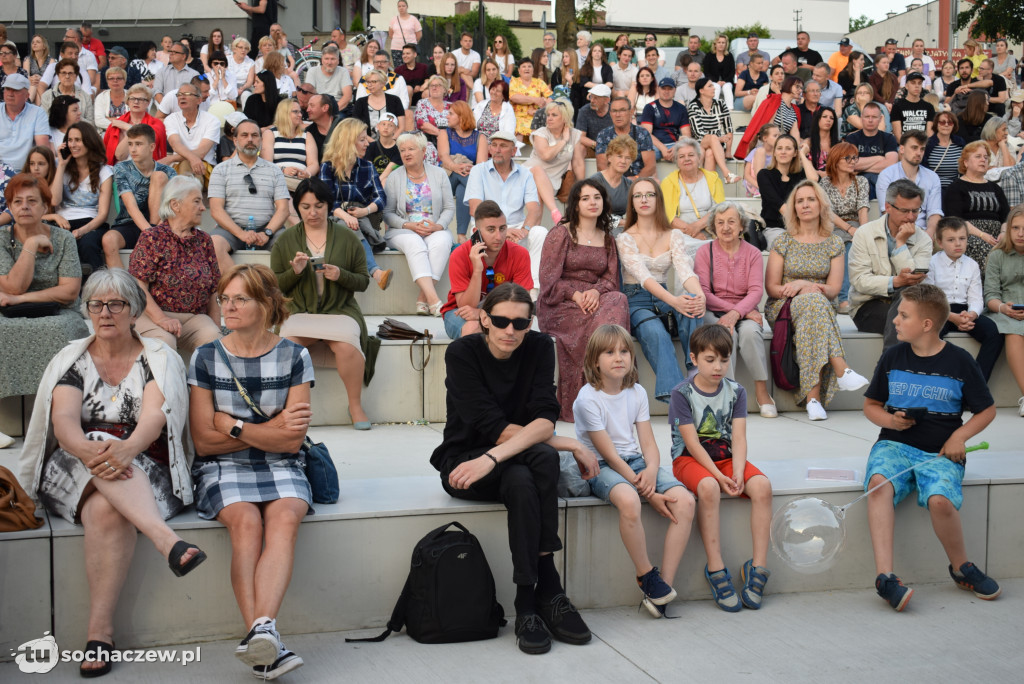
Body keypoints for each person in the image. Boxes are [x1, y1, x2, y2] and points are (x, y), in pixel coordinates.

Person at [18, 268, 204, 676]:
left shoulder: (157, 358)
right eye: (96, 304)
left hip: (144, 462)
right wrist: (92, 450)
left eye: (116, 304)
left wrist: (128, 449)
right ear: (87, 310)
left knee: (106, 510)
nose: (105, 313)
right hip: (75, 464)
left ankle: (99, 633)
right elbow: (64, 422)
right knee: (97, 439)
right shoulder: (73, 359)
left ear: (134, 311)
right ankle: (166, 540)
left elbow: (154, 417)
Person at [431, 281, 596, 655]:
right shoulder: (462, 353)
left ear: (530, 323)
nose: (510, 330)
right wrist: (569, 444)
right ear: (485, 319)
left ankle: (527, 602)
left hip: (508, 460)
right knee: (541, 458)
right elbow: (492, 425)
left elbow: (545, 419)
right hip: (465, 463)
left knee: (527, 472)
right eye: (501, 321)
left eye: (520, 323)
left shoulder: (539, 347)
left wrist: (496, 456)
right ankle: (549, 589)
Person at [188, 262, 311, 679]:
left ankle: (261, 639)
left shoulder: (295, 355)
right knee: (246, 523)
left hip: (283, 463)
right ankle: (263, 638)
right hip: (221, 467)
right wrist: (270, 429)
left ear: (267, 303)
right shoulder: (206, 356)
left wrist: (235, 426)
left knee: (285, 516)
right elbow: (204, 442)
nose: (228, 307)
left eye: (240, 299)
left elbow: (291, 443)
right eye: (224, 298)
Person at [863, 283, 998, 611]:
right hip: (894, 445)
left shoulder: (960, 361)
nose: (895, 320)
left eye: (903, 315)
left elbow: (987, 410)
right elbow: (871, 406)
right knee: (878, 484)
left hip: (941, 450)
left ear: (926, 324)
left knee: (940, 500)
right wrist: (892, 421)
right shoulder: (892, 357)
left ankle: (961, 568)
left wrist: (958, 438)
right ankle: (885, 578)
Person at [573, 324, 695, 616]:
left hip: (636, 462)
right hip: (601, 465)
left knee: (686, 501)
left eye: (624, 351)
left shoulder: (637, 391)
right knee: (629, 500)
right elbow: (609, 455)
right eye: (609, 352)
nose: (619, 358)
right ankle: (646, 575)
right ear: (594, 361)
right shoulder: (587, 399)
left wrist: (651, 469)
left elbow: (648, 442)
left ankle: (663, 587)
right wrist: (648, 492)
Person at [669, 323, 773, 612]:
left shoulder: (736, 391)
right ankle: (716, 567)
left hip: (726, 458)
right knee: (708, 487)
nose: (718, 367)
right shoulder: (681, 393)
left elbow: (738, 438)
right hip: (689, 459)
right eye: (710, 359)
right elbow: (692, 444)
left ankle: (758, 567)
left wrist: (737, 472)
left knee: (762, 486)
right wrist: (718, 476)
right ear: (694, 358)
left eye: (724, 360)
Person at [271, 177, 375, 429]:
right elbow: (274, 287)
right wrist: (295, 272)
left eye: (319, 206)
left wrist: (341, 275)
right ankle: (292, 406)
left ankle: (355, 405)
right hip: (299, 311)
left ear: (329, 205)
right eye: (305, 207)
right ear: (297, 207)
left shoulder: (347, 237)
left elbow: (363, 281)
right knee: (287, 346)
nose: (313, 212)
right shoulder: (285, 240)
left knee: (347, 347)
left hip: (340, 311)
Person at [764, 180, 869, 421]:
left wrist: (807, 287)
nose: (805, 205)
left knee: (815, 307)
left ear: (821, 205)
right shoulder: (783, 241)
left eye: (811, 199)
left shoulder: (834, 243)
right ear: (794, 208)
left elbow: (833, 290)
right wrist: (801, 288)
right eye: (800, 201)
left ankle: (813, 400)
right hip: (784, 306)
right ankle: (840, 371)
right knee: (814, 304)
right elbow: (772, 288)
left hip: (820, 305)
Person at [539, 180, 629, 422]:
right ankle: (595, 395)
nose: (592, 202)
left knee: (618, 299)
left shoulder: (607, 238)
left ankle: (610, 391)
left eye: (597, 197)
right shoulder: (560, 234)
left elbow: (611, 280)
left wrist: (596, 292)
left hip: (596, 300)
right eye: (586, 198)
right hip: (561, 304)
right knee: (602, 316)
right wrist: (575, 294)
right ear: (576, 204)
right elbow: (548, 280)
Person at [0, 172, 90, 414]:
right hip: (8, 314)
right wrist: (30, 245)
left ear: (45, 207)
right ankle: (9, 415)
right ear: (10, 207)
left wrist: (20, 299)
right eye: (18, 202)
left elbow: (69, 291)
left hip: (60, 313)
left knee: (59, 329)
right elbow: (12, 286)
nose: (24, 207)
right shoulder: (1, 239)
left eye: (32, 201)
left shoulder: (64, 239)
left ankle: (63, 408)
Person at [617, 176, 704, 401]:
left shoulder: (673, 235)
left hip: (663, 298)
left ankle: (696, 372)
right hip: (636, 300)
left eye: (650, 194)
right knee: (656, 333)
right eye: (638, 195)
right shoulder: (625, 238)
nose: (644, 199)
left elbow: (685, 271)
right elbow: (644, 277)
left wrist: (700, 295)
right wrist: (674, 301)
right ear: (632, 202)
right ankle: (678, 398)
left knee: (693, 302)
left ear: (658, 199)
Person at [694, 203, 776, 415]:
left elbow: (756, 291)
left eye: (731, 222)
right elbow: (704, 293)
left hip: (746, 311)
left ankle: (762, 391)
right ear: (713, 226)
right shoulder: (704, 252)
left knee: (750, 333)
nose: (726, 227)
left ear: (741, 225)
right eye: (720, 222)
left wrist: (737, 313)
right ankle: (726, 394)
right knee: (726, 334)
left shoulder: (753, 253)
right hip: (715, 311)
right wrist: (737, 312)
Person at [128, 175, 221, 354]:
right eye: (197, 201)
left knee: (213, 343)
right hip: (152, 315)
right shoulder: (152, 238)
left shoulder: (204, 240)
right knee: (164, 344)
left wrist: (217, 328)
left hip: (194, 318)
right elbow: (138, 287)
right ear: (175, 205)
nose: (203, 207)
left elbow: (213, 290)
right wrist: (161, 319)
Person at [848, 179, 933, 350]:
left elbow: (915, 280)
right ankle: (894, 363)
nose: (911, 217)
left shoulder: (923, 239)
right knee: (909, 321)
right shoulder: (864, 234)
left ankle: (888, 364)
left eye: (916, 210)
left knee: (909, 307)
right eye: (905, 211)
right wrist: (895, 282)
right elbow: (859, 280)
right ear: (888, 207)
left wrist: (901, 243)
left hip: (908, 303)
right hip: (867, 305)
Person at [381, 132, 455, 316]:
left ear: (423, 151)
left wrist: (438, 226)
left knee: (442, 241)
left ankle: (422, 298)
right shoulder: (394, 177)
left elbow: (449, 207)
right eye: (402, 150)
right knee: (415, 242)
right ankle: (434, 301)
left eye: (411, 149)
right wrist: (409, 226)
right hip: (402, 230)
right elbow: (387, 213)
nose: (406, 153)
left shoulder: (439, 174)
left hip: (433, 228)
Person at [921, 217, 1002, 380]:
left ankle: (976, 381)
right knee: (930, 332)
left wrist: (971, 314)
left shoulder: (972, 265)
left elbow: (976, 298)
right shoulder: (931, 263)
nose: (958, 244)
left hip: (964, 310)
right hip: (940, 311)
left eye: (962, 238)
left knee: (994, 333)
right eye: (951, 240)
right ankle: (933, 379)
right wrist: (951, 317)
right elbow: (930, 299)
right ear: (940, 242)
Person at [465, 131, 544, 292]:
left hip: (517, 229)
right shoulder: (478, 171)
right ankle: (483, 290)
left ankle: (533, 290)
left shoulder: (525, 174)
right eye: (494, 145)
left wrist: (524, 230)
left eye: (503, 146)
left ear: (514, 151)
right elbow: (475, 209)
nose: (497, 150)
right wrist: (501, 231)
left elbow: (534, 209)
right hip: (486, 228)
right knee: (478, 232)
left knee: (540, 232)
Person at [207, 118, 290, 272]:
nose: (250, 139)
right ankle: (240, 283)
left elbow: (283, 209)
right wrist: (241, 234)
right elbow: (216, 210)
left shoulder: (274, 170)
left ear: (261, 140)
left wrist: (267, 232)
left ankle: (274, 287)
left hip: (268, 229)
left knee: (289, 244)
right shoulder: (220, 170)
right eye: (244, 135)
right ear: (235, 140)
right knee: (213, 245)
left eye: (255, 135)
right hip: (230, 230)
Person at [440, 201, 532, 339]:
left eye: (502, 228)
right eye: (491, 229)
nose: (499, 236)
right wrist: (477, 270)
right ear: (476, 232)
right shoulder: (459, 254)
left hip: (504, 311)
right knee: (474, 328)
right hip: (459, 311)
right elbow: (467, 306)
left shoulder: (520, 254)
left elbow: (522, 303)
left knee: (519, 329)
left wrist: (483, 314)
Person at [320, 118, 392, 291]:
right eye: (362, 140)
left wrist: (364, 211)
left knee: (351, 227)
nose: (367, 143)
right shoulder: (327, 167)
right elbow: (325, 201)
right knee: (347, 226)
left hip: (362, 221)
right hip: (335, 219)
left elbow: (381, 198)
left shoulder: (368, 167)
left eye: (366, 139)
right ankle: (376, 272)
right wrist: (345, 216)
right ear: (348, 141)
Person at [102, 124, 175, 269]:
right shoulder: (121, 168)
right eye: (130, 144)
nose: (133, 149)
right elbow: (131, 206)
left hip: (160, 225)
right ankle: (123, 283)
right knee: (108, 240)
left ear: (152, 147)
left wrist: (156, 230)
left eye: (139, 144)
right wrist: (149, 234)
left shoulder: (168, 171)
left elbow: (173, 204)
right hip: (129, 222)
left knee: (159, 176)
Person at [51, 122, 112, 275]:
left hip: (90, 223)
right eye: (70, 140)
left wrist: (81, 231)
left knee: (88, 244)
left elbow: (103, 214)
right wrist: (62, 165)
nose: (73, 145)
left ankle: (97, 285)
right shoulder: (60, 167)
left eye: (77, 140)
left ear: (89, 142)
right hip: (63, 222)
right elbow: (54, 201)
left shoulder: (104, 171)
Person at [942, 141, 1011, 267]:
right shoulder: (956, 187)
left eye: (986, 157)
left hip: (998, 236)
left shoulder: (995, 188)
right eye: (978, 156)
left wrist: (1003, 233)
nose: (983, 160)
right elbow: (956, 219)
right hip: (969, 234)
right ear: (966, 163)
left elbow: (1006, 216)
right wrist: (982, 235)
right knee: (989, 253)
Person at [983, 205, 1024, 415]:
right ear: (1008, 229)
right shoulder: (997, 255)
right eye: (1016, 228)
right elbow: (990, 295)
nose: (1021, 233)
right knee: (1013, 330)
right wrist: (1003, 308)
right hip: (1005, 310)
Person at [820, 141, 870, 312]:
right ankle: (842, 298)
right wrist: (849, 229)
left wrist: (862, 232)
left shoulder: (861, 181)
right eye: (847, 158)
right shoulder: (825, 183)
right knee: (841, 242)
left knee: (851, 243)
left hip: (854, 223)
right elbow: (828, 212)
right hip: (832, 224)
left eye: (855, 158)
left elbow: (863, 208)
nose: (852, 161)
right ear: (835, 160)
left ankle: (843, 299)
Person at [522, 100, 584, 225]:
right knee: (537, 171)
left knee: (537, 193)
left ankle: (533, 232)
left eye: (554, 115)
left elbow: (578, 163)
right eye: (548, 115)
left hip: (551, 183)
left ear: (565, 118)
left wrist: (582, 187)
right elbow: (546, 156)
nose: (549, 118)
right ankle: (554, 211)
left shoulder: (575, 135)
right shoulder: (541, 133)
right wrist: (564, 141)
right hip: (527, 177)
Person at [876, 131, 944, 238]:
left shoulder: (932, 177)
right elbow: (887, 211)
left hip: (923, 233)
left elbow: (934, 213)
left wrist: (929, 235)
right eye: (914, 148)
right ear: (902, 149)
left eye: (922, 149)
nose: (919, 153)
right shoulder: (887, 175)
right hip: (894, 233)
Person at [757, 133, 818, 249]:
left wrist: (802, 155)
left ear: (795, 153)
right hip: (774, 229)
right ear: (774, 152)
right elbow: (781, 207)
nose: (783, 152)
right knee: (792, 246)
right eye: (779, 148)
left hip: (801, 227)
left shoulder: (800, 175)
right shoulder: (764, 175)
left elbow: (814, 180)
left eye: (788, 149)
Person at [660, 137, 723, 248]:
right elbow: (668, 216)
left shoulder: (713, 179)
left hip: (710, 230)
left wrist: (696, 227)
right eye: (681, 156)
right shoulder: (668, 182)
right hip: (680, 233)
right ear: (676, 161)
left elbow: (719, 209)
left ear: (699, 157)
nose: (687, 159)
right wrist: (692, 232)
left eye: (691, 155)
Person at [438, 101, 487, 241]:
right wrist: (456, 167)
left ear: (461, 116)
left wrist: (469, 168)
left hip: (467, 176)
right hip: (449, 177)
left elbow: (481, 164)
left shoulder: (480, 137)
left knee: (463, 191)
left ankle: (461, 235)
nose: (447, 116)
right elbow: (443, 157)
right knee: (469, 181)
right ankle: (481, 223)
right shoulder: (444, 133)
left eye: (451, 114)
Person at [163, 81, 220, 190]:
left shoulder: (212, 120)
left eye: (187, 94)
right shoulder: (171, 119)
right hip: (179, 167)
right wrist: (192, 158)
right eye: (179, 94)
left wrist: (171, 158)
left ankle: (187, 195)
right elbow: (176, 145)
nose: (182, 97)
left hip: (205, 167)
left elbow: (201, 152)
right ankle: (191, 194)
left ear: (199, 100)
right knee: (185, 164)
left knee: (190, 164)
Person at [261, 99, 319, 197]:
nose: (300, 115)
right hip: (277, 181)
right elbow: (266, 163)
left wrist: (306, 173)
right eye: (295, 112)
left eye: (300, 112)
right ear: (284, 113)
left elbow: (314, 163)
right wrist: (283, 170)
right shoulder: (270, 134)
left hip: (300, 183)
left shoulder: (307, 135)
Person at [687, 77, 738, 183]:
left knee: (710, 153)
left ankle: (708, 186)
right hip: (699, 142)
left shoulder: (721, 104)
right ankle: (726, 173)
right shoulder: (693, 106)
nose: (714, 88)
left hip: (717, 145)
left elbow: (728, 128)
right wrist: (719, 139)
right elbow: (698, 133)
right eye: (710, 86)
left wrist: (728, 151)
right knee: (713, 138)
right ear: (701, 91)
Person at [847, 102, 899, 198]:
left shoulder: (888, 138)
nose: (870, 120)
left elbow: (891, 164)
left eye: (874, 117)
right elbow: (850, 164)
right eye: (867, 117)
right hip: (858, 181)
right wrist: (879, 158)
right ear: (861, 118)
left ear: (880, 119)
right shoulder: (852, 138)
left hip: (882, 180)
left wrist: (859, 168)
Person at [598, 96, 656, 180]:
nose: (618, 115)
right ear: (610, 113)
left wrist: (635, 179)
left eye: (622, 110)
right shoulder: (603, 135)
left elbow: (650, 166)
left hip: (637, 181)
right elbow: (601, 166)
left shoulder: (642, 133)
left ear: (631, 112)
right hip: (612, 180)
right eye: (614, 111)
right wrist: (618, 182)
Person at [640, 78, 691, 162]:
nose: (666, 91)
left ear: (675, 90)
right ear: (658, 89)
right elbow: (646, 133)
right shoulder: (650, 107)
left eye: (670, 89)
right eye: (663, 88)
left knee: (691, 152)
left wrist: (677, 147)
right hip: (655, 145)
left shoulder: (681, 108)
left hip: (675, 144)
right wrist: (663, 148)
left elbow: (687, 134)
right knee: (643, 154)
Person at [590, 134, 634, 217]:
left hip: (622, 224)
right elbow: (591, 213)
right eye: (619, 156)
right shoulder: (595, 181)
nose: (623, 161)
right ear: (609, 157)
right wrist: (622, 222)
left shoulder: (629, 185)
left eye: (628, 158)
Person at [510, 57, 552, 140]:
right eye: (524, 66)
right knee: (518, 128)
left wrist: (539, 110)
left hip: (536, 117)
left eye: (529, 66)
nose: (527, 69)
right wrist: (535, 100)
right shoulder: (514, 81)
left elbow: (551, 98)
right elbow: (513, 97)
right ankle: (517, 148)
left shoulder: (539, 82)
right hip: (519, 118)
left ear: (533, 70)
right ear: (519, 70)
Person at [41, 57, 93, 124]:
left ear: (76, 76)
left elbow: (91, 124)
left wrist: (75, 117)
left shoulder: (85, 97)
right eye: (63, 73)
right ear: (58, 76)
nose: (67, 76)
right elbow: (44, 122)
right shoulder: (47, 96)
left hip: (79, 129)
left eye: (70, 73)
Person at [304, 44, 353, 112]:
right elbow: (308, 95)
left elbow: (347, 96)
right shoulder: (312, 71)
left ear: (338, 61)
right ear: (322, 60)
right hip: (318, 106)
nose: (329, 62)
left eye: (333, 59)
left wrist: (332, 112)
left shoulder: (343, 71)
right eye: (326, 59)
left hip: (338, 106)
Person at [924, 110, 965, 188]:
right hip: (932, 187)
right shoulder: (928, 144)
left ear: (953, 125)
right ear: (936, 124)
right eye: (942, 122)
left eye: (950, 123)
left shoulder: (960, 143)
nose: (946, 125)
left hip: (955, 188)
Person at [891, 72, 935, 141]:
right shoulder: (897, 106)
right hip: (904, 144)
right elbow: (897, 134)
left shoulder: (929, 107)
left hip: (923, 144)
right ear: (906, 86)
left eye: (919, 83)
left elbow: (929, 133)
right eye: (913, 83)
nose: (917, 86)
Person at [742, 123, 778, 198]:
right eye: (775, 136)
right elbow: (746, 175)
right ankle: (758, 190)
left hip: (770, 184)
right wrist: (761, 186)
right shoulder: (756, 151)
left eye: (779, 136)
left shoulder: (777, 153)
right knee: (761, 151)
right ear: (765, 138)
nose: (778, 138)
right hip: (754, 184)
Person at [574, 84, 612, 155]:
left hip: (612, 147)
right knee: (580, 147)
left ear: (606, 100)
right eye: (591, 97)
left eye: (596, 98)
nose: (592, 100)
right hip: (591, 145)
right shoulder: (584, 111)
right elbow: (580, 137)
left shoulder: (614, 111)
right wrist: (598, 145)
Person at [414, 74, 450, 145]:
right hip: (427, 141)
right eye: (431, 85)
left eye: (438, 85)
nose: (434, 88)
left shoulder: (451, 106)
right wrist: (443, 135)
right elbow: (423, 124)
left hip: (448, 141)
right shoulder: (422, 103)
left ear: (445, 89)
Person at [703, 35, 735, 110]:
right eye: (719, 42)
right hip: (712, 81)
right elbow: (706, 72)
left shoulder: (729, 56)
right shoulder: (709, 56)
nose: (721, 44)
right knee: (716, 87)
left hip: (727, 82)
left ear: (726, 44)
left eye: (723, 43)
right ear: (715, 44)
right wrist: (716, 81)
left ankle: (730, 109)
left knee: (727, 87)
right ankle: (713, 109)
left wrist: (724, 81)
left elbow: (732, 72)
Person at [387, 0, 422, 66]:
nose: (401, 8)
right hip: (396, 48)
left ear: (407, 7)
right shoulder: (394, 19)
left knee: (410, 66)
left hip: (410, 48)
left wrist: (412, 43)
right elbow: (391, 34)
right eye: (399, 6)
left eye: (403, 6)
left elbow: (419, 34)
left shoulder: (413, 19)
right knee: (398, 68)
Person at [805, 106, 838, 175]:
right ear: (817, 119)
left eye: (831, 118)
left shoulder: (839, 145)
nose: (828, 120)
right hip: (814, 178)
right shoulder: (808, 143)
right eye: (824, 117)